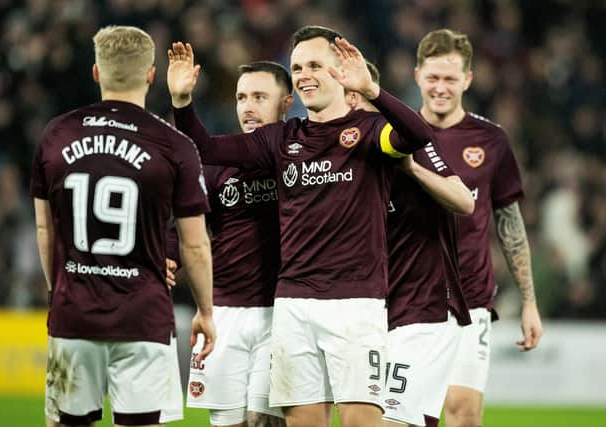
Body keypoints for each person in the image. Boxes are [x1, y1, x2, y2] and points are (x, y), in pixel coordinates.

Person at [167, 25, 434, 427]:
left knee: (363, 422)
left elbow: (418, 135)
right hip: (293, 307)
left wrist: (374, 91)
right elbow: (206, 149)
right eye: (297, 66)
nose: (305, 73)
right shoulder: (281, 139)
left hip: (355, 304)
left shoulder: (367, 132)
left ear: (340, 71)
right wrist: (182, 100)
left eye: (314, 64)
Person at [31, 25, 215, 427]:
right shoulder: (175, 145)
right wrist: (205, 310)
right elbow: (195, 246)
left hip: (73, 316)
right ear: (151, 75)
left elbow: (45, 231)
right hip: (143, 319)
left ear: (96, 72)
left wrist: (55, 291)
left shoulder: (55, 135)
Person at [411, 29, 544, 427]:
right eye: (433, 77)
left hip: (470, 298)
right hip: (406, 298)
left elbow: (509, 221)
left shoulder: (491, 139)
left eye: (450, 78)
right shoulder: (392, 135)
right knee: (410, 415)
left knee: (464, 415)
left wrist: (529, 301)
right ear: (417, 75)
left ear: (468, 79)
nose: (440, 87)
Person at [348, 63, 474, 427]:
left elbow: (465, 202)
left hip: (426, 306)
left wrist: (413, 170)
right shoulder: (350, 158)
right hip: (378, 313)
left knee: (390, 421)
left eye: (354, 96)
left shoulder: (408, 143)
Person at [184, 61, 292, 427]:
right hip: (223, 311)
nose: (248, 106)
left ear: (286, 102)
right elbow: (189, 222)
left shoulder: (301, 158)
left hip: (281, 312)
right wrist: (169, 255)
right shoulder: (218, 165)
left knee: (264, 421)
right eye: (241, 97)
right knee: (226, 424)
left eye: (260, 96)